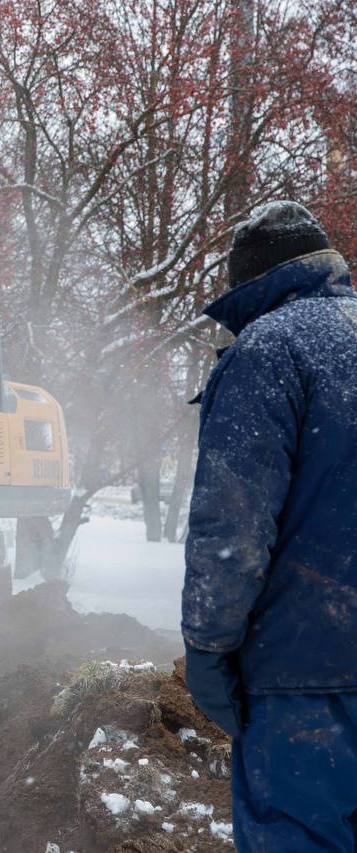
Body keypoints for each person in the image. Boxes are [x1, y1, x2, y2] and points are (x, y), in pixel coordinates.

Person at [182, 200, 357, 851]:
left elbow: (232, 530)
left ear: (251, 282)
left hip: (306, 677)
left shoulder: (269, 348)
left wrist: (207, 646)